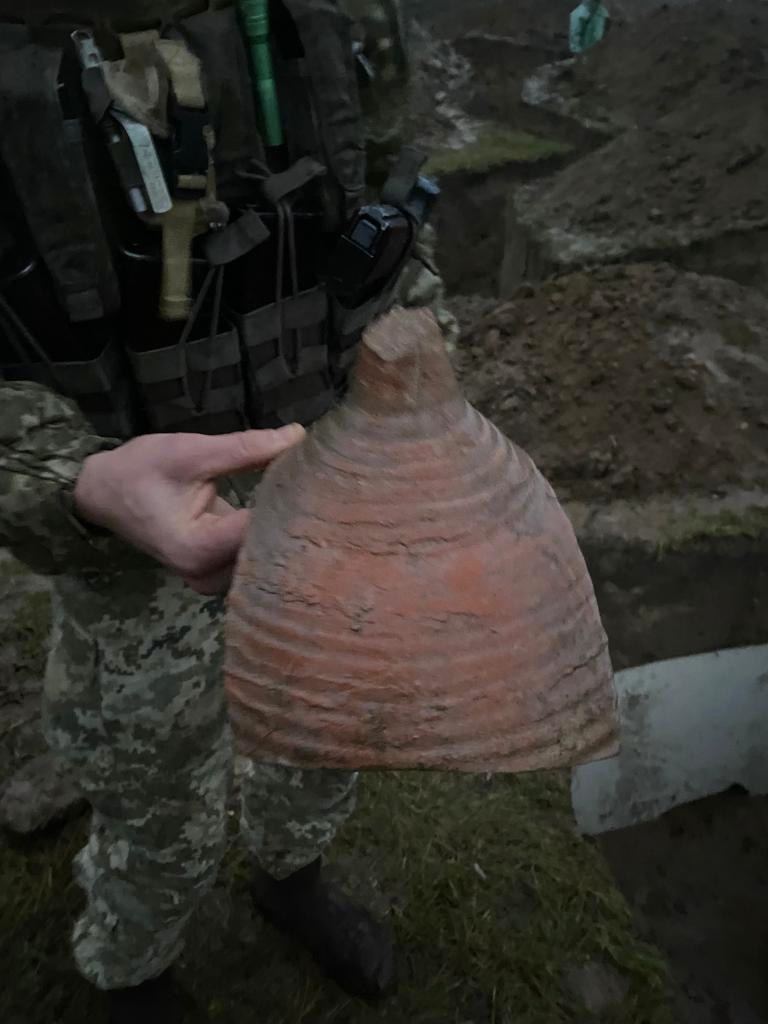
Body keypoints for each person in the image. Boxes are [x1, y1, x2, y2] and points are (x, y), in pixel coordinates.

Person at [0, 2, 453, 1019]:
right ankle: (134, 970)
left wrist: (417, 383)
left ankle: (291, 877)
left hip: (328, 477)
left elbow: (395, 214)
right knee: (154, 786)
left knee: (327, 718)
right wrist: (70, 483)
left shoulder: (341, 14)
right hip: (125, 543)